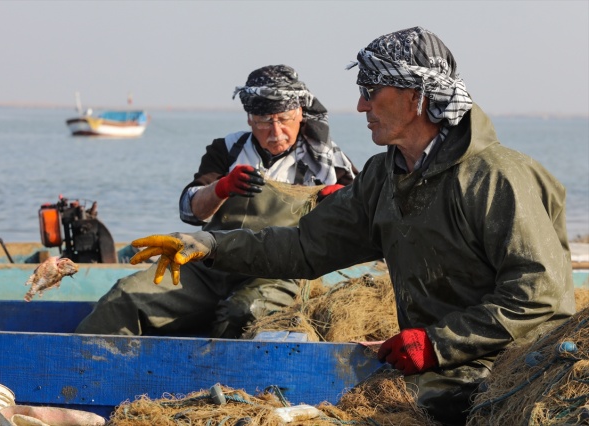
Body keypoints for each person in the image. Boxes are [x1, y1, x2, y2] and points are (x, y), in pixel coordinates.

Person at [127, 27, 576, 425]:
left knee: (366, 411)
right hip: (436, 362)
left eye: (370, 89)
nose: (360, 104)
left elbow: (540, 294)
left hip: (510, 363)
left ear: (417, 94)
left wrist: (437, 344)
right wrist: (206, 243)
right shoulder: (385, 175)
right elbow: (304, 247)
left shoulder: (497, 176)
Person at [76, 64, 358, 338]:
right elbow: (190, 212)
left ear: (300, 114)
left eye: (284, 120)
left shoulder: (328, 163)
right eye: (263, 122)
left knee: (242, 311)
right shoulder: (227, 150)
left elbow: (361, 218)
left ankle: (215, 379)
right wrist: (221, 188)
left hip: (279, 271)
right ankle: (77, 371)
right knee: (124, 296)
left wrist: (339, 202)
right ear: (249, 118)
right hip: (211, 263)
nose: (275, 132)